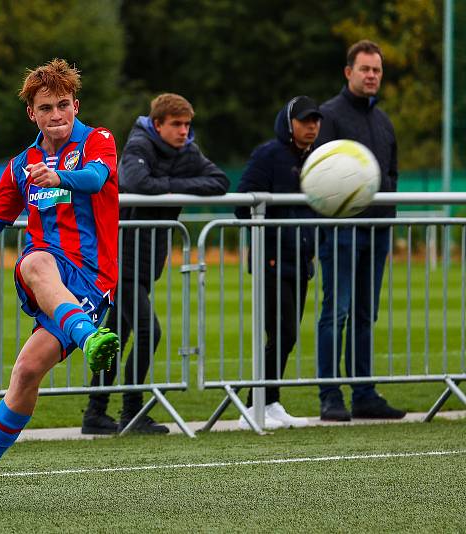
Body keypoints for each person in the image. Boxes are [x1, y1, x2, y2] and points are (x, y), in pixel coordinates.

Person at [0, 58, 120, 507]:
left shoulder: (98, 140)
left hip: (92, 280)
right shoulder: (19, 166)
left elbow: (97, 178)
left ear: (76, 105)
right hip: (49, 271)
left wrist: (60, 176)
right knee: (34, 261)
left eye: (64, 105)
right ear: (31, 113)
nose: (57, 115)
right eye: (46, 107)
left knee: (27, 372)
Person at [81, 93, 229, 435]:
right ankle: (132, 411)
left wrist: (170, 190)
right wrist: (177, 190)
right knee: (150, 331)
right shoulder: (138, 146)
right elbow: (135, 182)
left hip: (148, 260)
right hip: (119, 260)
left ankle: (95, 412)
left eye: (187, 125)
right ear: (158, 124)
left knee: (116, 334)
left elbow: (219, 181)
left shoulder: (187, 150)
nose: (183, 131)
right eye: (176, 124)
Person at [315, 40, 405, 421]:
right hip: (343, 229)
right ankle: (329, 395)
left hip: (378, 228)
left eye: (377, 70)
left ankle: (365, 393)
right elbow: (318, 176)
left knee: (366, 314)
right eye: (365, 69)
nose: (372, 76)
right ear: (348, 72)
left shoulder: (383, 121)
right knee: (337, 310)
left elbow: (392, 174)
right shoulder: (329, 117)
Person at [234, 96, 322, 430]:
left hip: (300, 261)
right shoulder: (268, 154)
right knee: (282, 332)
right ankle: (255, 405)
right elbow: (243, 205)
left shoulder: (319, 159)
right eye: (305, 120)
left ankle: (269, 402)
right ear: (289, 122)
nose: (312, 125)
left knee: (286, 336)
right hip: (271, 260)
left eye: (316, 120)